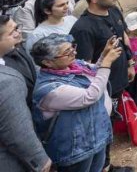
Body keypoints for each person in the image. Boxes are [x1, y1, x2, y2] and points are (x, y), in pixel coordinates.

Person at [69, 0, 135, 172]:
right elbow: (84, 67)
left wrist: (130, 62)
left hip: (118, 81)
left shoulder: (113, 11)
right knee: (102, 127)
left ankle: (106, 164)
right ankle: (104, 166)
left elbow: (123, 36)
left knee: (109, 125)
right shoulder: (83, 28)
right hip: (100, 90)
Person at [31, 33, 119, 172]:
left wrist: (104, 54)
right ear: (47, 62)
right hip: (75, 151)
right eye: (67, 52)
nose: (74, 53)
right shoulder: (49, 89)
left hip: (95, 137)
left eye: (72, 48)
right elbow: (90, 96)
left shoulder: (73, 65)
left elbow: (94, 72)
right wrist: (106, 63)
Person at [0, 14, 51, 172]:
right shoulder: (6, 82)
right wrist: (40, 160)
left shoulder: (18, 50)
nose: (18, 33)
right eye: (12, 32)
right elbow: (18, 132)